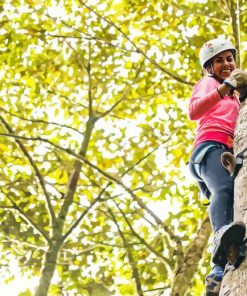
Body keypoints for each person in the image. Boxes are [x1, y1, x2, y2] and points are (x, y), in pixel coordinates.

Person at [188, 38, 247, 295]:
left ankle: (218, 273)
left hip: (229, 151)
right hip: (210, 148)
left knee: (233, 198)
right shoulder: (210, 84)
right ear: (209, 67)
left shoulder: (234, 98)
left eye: (229, 59)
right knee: (223, 189)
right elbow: (194, 110)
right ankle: (220, 235)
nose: (226, 64)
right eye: (219, 60)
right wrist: (226, 86)